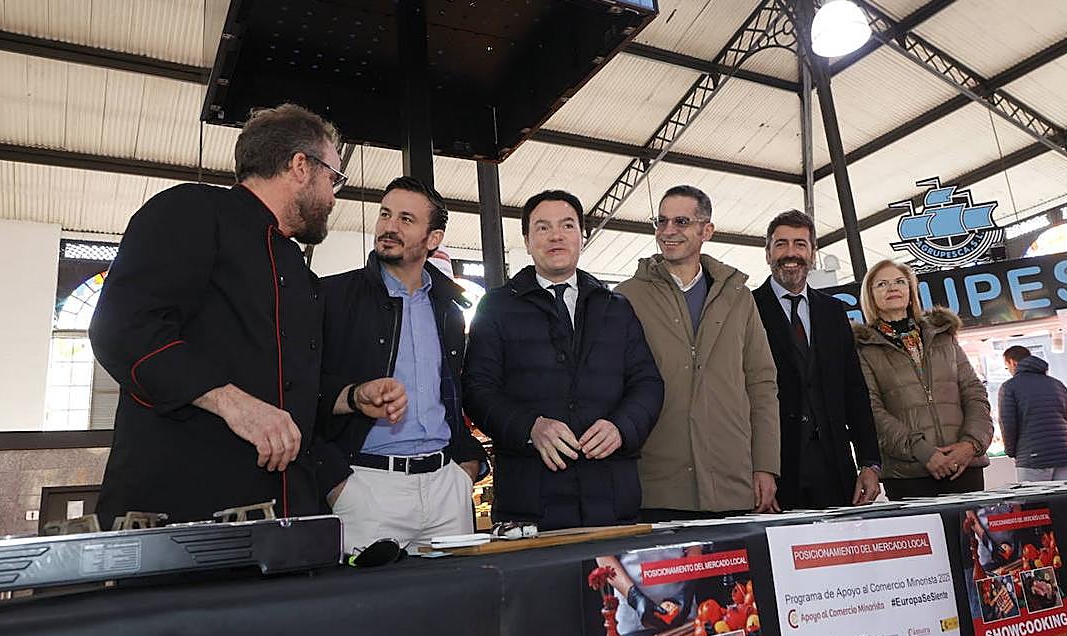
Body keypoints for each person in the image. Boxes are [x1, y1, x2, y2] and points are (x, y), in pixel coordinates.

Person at [90, 103, 384, 527]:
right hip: (185, 514)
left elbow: (289, 391)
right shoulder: (190, 210)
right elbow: (124, 329)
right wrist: (235, 405)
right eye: (334, 178)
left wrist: (353, 396)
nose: (334, 195)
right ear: (301, 166)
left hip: (287, 518)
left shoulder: (299, 271)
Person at [463, 189, 664, 529]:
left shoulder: (616, 307)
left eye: (567, 225)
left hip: (612, 499)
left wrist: (622, 427)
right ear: (527, 241)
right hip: (530, 502)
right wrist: (530, 427)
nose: (556, 235)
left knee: (610, 581)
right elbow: (477, 389)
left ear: (582, 238)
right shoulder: (497, 307)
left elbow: (647, 383)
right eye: (542, 227)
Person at [318, 177, 489, 552]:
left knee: (460, 607)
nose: (389, 226)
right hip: (367, 489)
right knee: (370, 610)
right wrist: (337, 486)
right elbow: (298, 389)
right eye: (385, 214)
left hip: (448, 488)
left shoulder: (449, 309)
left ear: (434, 239)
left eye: (406, 219)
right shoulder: (331, 297)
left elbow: (455, 396)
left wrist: (466, 468)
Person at [615, 185, 780, 520]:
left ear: (707, 230)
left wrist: (765, 465)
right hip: (655, 485)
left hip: (730, 483)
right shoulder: (625, 298)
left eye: (681, 221)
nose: (668, 231)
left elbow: (762, 385)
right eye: (660, 222)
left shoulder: (739, 298)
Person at [751, 209, 881, 509]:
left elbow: (854, 391)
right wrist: (757, 467)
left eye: (800, 243)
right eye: (781, 244)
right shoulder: (748, 308)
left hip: (834, 468)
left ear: (813, 252)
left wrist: (870, 463)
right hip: (775, 472)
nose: (791, 253)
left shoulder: (833, 312)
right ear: (768, 252)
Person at [852, 259, 993, 499]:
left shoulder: (943, 336)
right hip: (909, 474)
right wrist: (923, 451)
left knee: (970, 535)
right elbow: (871, 411)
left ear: (910, 290)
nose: (892, 288)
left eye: (899, 282)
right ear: (870, 296)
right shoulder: (863, 348)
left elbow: (974, 393)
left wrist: (970, 444)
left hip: (964, 466)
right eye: (881, 284)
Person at [998, 345, 1067, 481]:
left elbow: (1008, 424)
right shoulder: (1057, 384)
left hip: (1033, 458)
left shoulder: (1009, 387)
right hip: (1064, 456)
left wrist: (1012, 451)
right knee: (1066, 501)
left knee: (1036, 501)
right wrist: (1060, 444)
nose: (1009, 371)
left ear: (1012, 362)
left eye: (1007, 367)